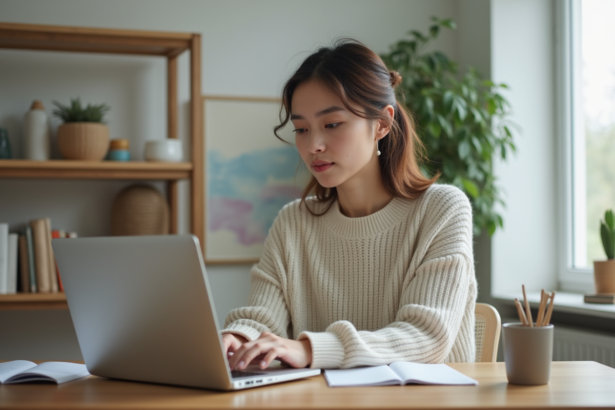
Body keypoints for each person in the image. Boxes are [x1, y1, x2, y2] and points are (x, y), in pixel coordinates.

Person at [221, 39, 477, 371]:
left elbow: (426, 336)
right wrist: (239, 338)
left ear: (382, 124)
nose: (313, 145)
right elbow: (261, 318)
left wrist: (311, 349)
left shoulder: (442, 210)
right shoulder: (292, 223)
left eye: (332, 124)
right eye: (301, 129)